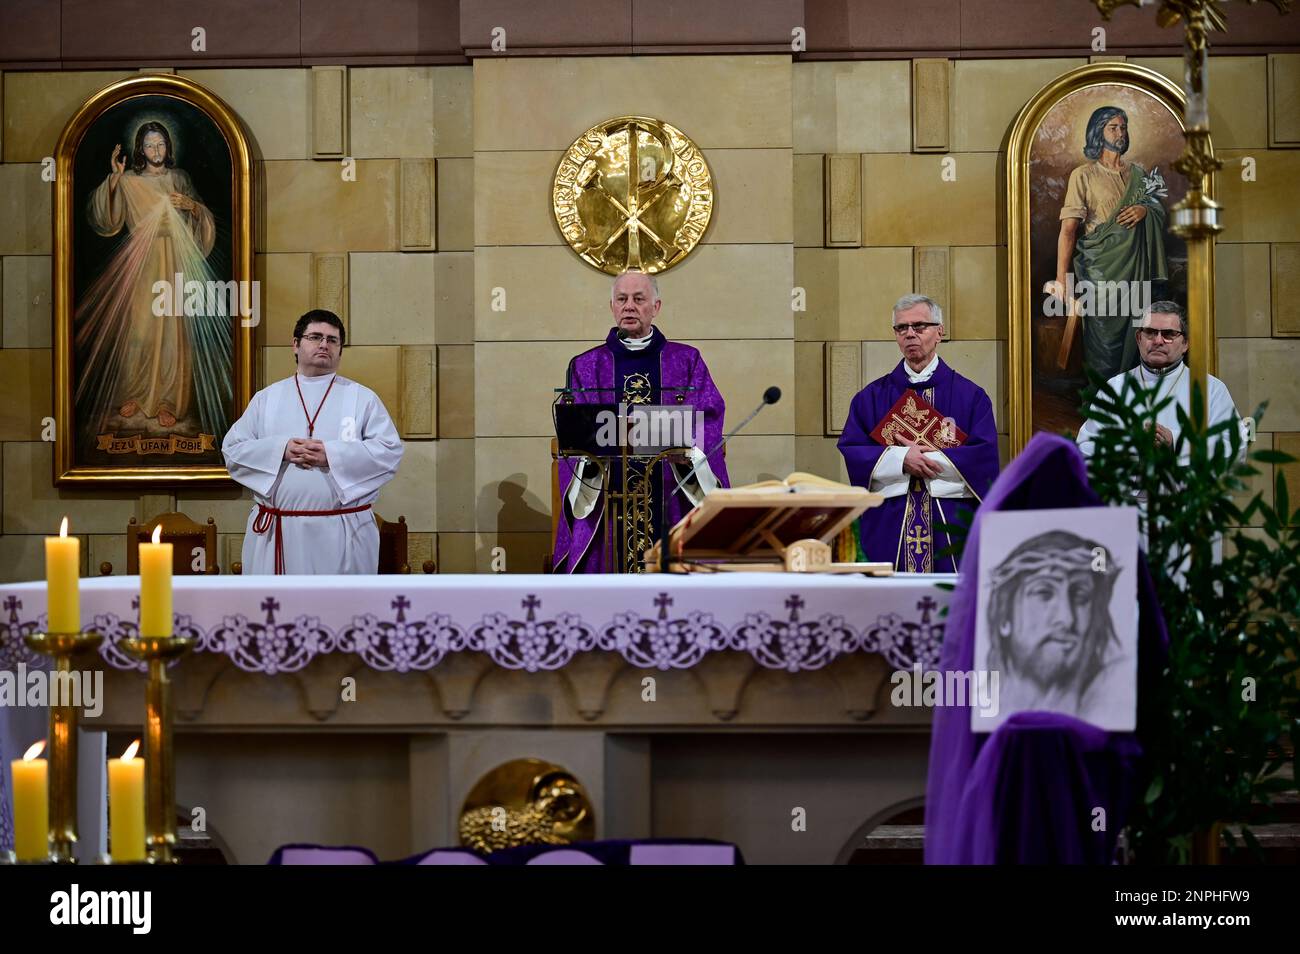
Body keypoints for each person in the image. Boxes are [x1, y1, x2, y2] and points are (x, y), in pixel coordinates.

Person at [552, 270, 728, 573]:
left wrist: (686, 448)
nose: (629, 306)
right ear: (612, 307)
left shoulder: (686, 360)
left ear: (656, 307)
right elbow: (577, 437)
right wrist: (593, 455)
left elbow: (707, 418)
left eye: (638, 299)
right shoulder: (585, 365)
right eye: (621, 299)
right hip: (609, 499)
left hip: (670, 494)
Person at [75, 121, 231, 441]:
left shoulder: (179, 178)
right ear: (140, 150)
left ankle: (167, 400)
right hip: (142, 262)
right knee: (140, 329)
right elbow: (106, 218)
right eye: (149, 145)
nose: (156, 151)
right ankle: (134, 393)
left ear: (168, 147)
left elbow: (201, 217)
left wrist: (192, 207)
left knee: (173, 332)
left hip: (175, 259)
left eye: (161, 144)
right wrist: (115, 179)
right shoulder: (130, 181)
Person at [222, 310, 403, 574]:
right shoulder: (267, 398)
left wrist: (332, 455)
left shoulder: (362, 398)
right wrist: (281, 450)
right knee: (276, 612)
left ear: (340, 350)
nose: (324, 345)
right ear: (295, 344)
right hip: (277, 531)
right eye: (315, 337)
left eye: (333, 340)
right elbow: (233, 451)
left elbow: (389, 452)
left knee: (340, 612)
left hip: (344, 531)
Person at [838, 294, 1000, 572]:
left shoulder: (971, 396)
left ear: (940, 332)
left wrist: (926, 459)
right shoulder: (870, 398)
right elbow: (853, 450)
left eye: (920, 326)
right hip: (889, 519)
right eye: (902, 328)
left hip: (949, 520)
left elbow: (984, 456)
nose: (910, 334)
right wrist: (901, 460)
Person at [1044, 106, 1170, 381]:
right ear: (1097, 133)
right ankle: (1103, 405)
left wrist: (1145, 211)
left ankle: (1133, 406)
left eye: (1123, 127)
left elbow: (1158, 210)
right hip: (1101, 272)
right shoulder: (1084, 175)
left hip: (1136, 269)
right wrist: (1061, 279)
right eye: (1113, 127)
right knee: (1103, 341)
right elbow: (1068, 230)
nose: (1120, 132)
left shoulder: (1139, 174)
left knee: (1139, 334)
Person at [984, 530, 1127, 726]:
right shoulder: (979, 706)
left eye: (1080, 597)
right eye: (1044, 593)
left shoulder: (1112, 694)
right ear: (1004, 618)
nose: (1066, 619)